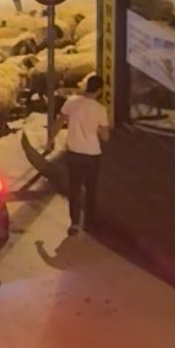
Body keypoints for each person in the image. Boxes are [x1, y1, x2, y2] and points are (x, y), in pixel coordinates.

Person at [48, 75, 110, 234]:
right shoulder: (100, 110)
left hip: (74, 152)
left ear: (87, 86)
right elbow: (105, 137)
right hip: (92, 154)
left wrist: (50, 140)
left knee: (74, 189)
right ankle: (89, 223)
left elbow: (59, 122)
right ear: (99, 90)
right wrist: (98, 129)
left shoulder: (71, 102)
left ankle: (74, 223)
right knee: (91, 189)